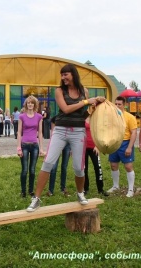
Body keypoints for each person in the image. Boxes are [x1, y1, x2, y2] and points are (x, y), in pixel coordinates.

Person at [26, 63, 101, 212]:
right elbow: (66, 109)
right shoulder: (59, 91)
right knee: (48, 163)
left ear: (73, 74)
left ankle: (80, 194)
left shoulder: (84, 91)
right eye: (62, 75)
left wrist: (94, 107)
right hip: (60, 130)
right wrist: (86, 101)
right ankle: (36, 199)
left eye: (65, 74)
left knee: (79, 168)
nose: (63, 77)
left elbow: (83, 114)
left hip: (78, 131)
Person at [107, 96, 137, 197]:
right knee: (113, 165)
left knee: (128, 166)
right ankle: (115, 186)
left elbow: (133, 133)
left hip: (125, 143)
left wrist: (129, 147)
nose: (117, 106)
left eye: (119, 104)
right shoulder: (111, 116)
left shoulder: (130, 117)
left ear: (124, 105)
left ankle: (131, 189)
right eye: (115, 104)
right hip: (114, 143)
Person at [17, 95, 44, 198]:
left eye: (32, 103)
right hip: (24, 145)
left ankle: (31, 191)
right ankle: (23, 191)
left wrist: (41, 148)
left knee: (32, 170)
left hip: (35, 146)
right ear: (26, 104)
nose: (30, 104)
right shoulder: (22, 116)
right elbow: (19, 133)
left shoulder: (39, 117)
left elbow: (40, 133)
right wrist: (18, 148)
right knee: (24, 170)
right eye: (28, 103)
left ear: (35, 104)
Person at [46, 116, 71, 197]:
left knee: (64, 167)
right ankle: (51, 190)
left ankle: (63, 188)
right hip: (57, 143)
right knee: (54, 167)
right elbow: (53, 133)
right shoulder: (56, 119)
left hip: (67, 144)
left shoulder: (70, 119)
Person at [84, 117, 109, 196]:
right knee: (84, 169)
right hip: (83, 147)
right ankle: (85, 189)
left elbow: (102, 133)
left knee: (98, 168)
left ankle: (100, 189)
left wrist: (98, 146)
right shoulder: (83, 118)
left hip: (94, 148)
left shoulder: (98, 119)